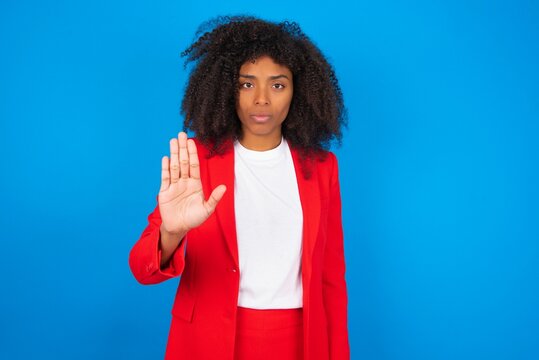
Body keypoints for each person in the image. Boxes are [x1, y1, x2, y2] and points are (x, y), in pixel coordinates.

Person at [129, 15, 350, 360]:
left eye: (277, 85)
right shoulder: (196, 160)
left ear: (299, 91)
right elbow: (142, 269)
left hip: (299, 339)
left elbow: (331, 280)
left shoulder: (321, 167)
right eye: (247, 84)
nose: (261, 99)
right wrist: (171, 233)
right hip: (209, 338)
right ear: (225, 88)